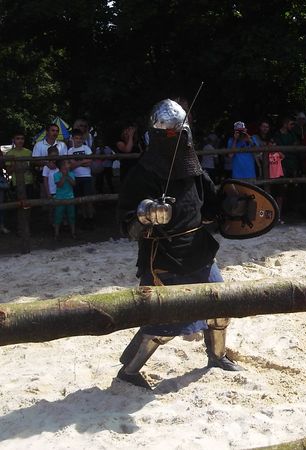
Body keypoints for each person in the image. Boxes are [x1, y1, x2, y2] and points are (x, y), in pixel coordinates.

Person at [116, 99, 246, 390]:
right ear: (158, 137)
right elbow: (127, 225)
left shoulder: (195, 170)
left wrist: (230, 206)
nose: (176, 141)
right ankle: (129, 372)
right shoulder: (143, 174)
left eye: (180, 134)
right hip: (165, 256)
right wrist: (146, 215)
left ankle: (217, 356)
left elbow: (211, 207)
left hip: (200, 250)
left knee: (220, 308)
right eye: (170, 135)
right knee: (164, 324)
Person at [68, 129, 95, 229]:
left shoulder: (86, 148)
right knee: (80, 199)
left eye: (80, 138)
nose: (78, 140)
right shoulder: (70, 151)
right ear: (73, 139)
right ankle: (84, 218)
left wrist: (77, 163)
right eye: (76, 138)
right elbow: (70, 166)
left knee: (88, 199)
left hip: (86, 176)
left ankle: (91, 218)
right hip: (75, 177)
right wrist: (82, 161)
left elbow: (89, 162)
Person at [32, 123, 68, 198]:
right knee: (45, 196)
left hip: (60, 175)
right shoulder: (38, 145)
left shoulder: (62, 145)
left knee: (62, 196)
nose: (55, 133)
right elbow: (34, 160)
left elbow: (66, 160)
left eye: (57, 131)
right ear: (47, 132)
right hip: (44, 175)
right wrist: (47, 164)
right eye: (53, 130)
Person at [4, 132, 35, 199]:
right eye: (18, 138)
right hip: (16, 182)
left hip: (29, 181)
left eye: (22, 138)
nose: (20, 141)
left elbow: (33, 167)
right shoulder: (9, 154)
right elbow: (8, 171)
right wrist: (15, 165)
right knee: (19, 202)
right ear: (13, 140)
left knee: (30, 202)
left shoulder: (29, 152)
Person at [53, 159, 77, 240]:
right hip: (60, 198)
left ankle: (73, 232)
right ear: (62, 166)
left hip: (70, 197)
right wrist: (64, 176)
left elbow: (74, 184)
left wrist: (67, 176)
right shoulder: (56, 175)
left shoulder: (71, 174)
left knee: (71, 216)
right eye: (67, 163)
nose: (69, 165)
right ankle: (56, 234)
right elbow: (59, 185)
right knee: (58, 216)